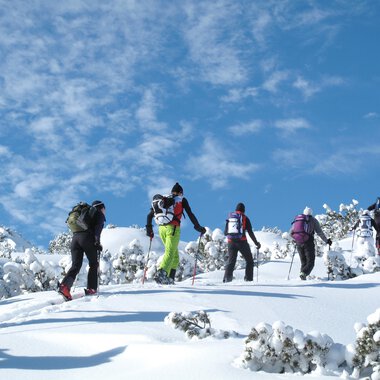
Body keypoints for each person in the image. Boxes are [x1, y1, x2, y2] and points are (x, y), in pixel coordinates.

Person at [146, 183, 206, 284]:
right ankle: (161, 273)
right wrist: (198, 227)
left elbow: (149, 215)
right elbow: (190, 214)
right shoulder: (181, 200)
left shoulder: (164, 200)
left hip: (161, 229)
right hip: (173, 229)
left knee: (175, 256)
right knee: (170, 252)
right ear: (181, 193)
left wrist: (149, 229)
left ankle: (170, 279)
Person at [58, 200, 106, 300]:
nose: (105, 211)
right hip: (87, 239)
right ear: (101, 208)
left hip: (75, 239)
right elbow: (97, 230)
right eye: (104, 209)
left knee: (76, 265)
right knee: (93, 264)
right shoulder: (99, 214)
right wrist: (97, 242)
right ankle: (91, 289)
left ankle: (65, 287)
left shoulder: (85, 214)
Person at [290, 207, 332, 280]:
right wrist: (326, 241)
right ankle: (303, 274)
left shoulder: (298, 220)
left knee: (303, 262)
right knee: (310, 262)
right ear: (311, 213)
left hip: (298, 243)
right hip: (308, 243)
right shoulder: (313, 220)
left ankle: (302, 277)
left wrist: (297, 238)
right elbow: (319, 232)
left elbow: (290, 233)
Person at [223, 203, 261, 283]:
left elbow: (225, 232)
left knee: (231, 261)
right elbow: (250, 232)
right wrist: (256, 243)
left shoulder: (231, 218)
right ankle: (248, 279)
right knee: (249, 261)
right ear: (244, 210)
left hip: (231, 242)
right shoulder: (245, 218)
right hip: (242, 242)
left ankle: (226, 279)